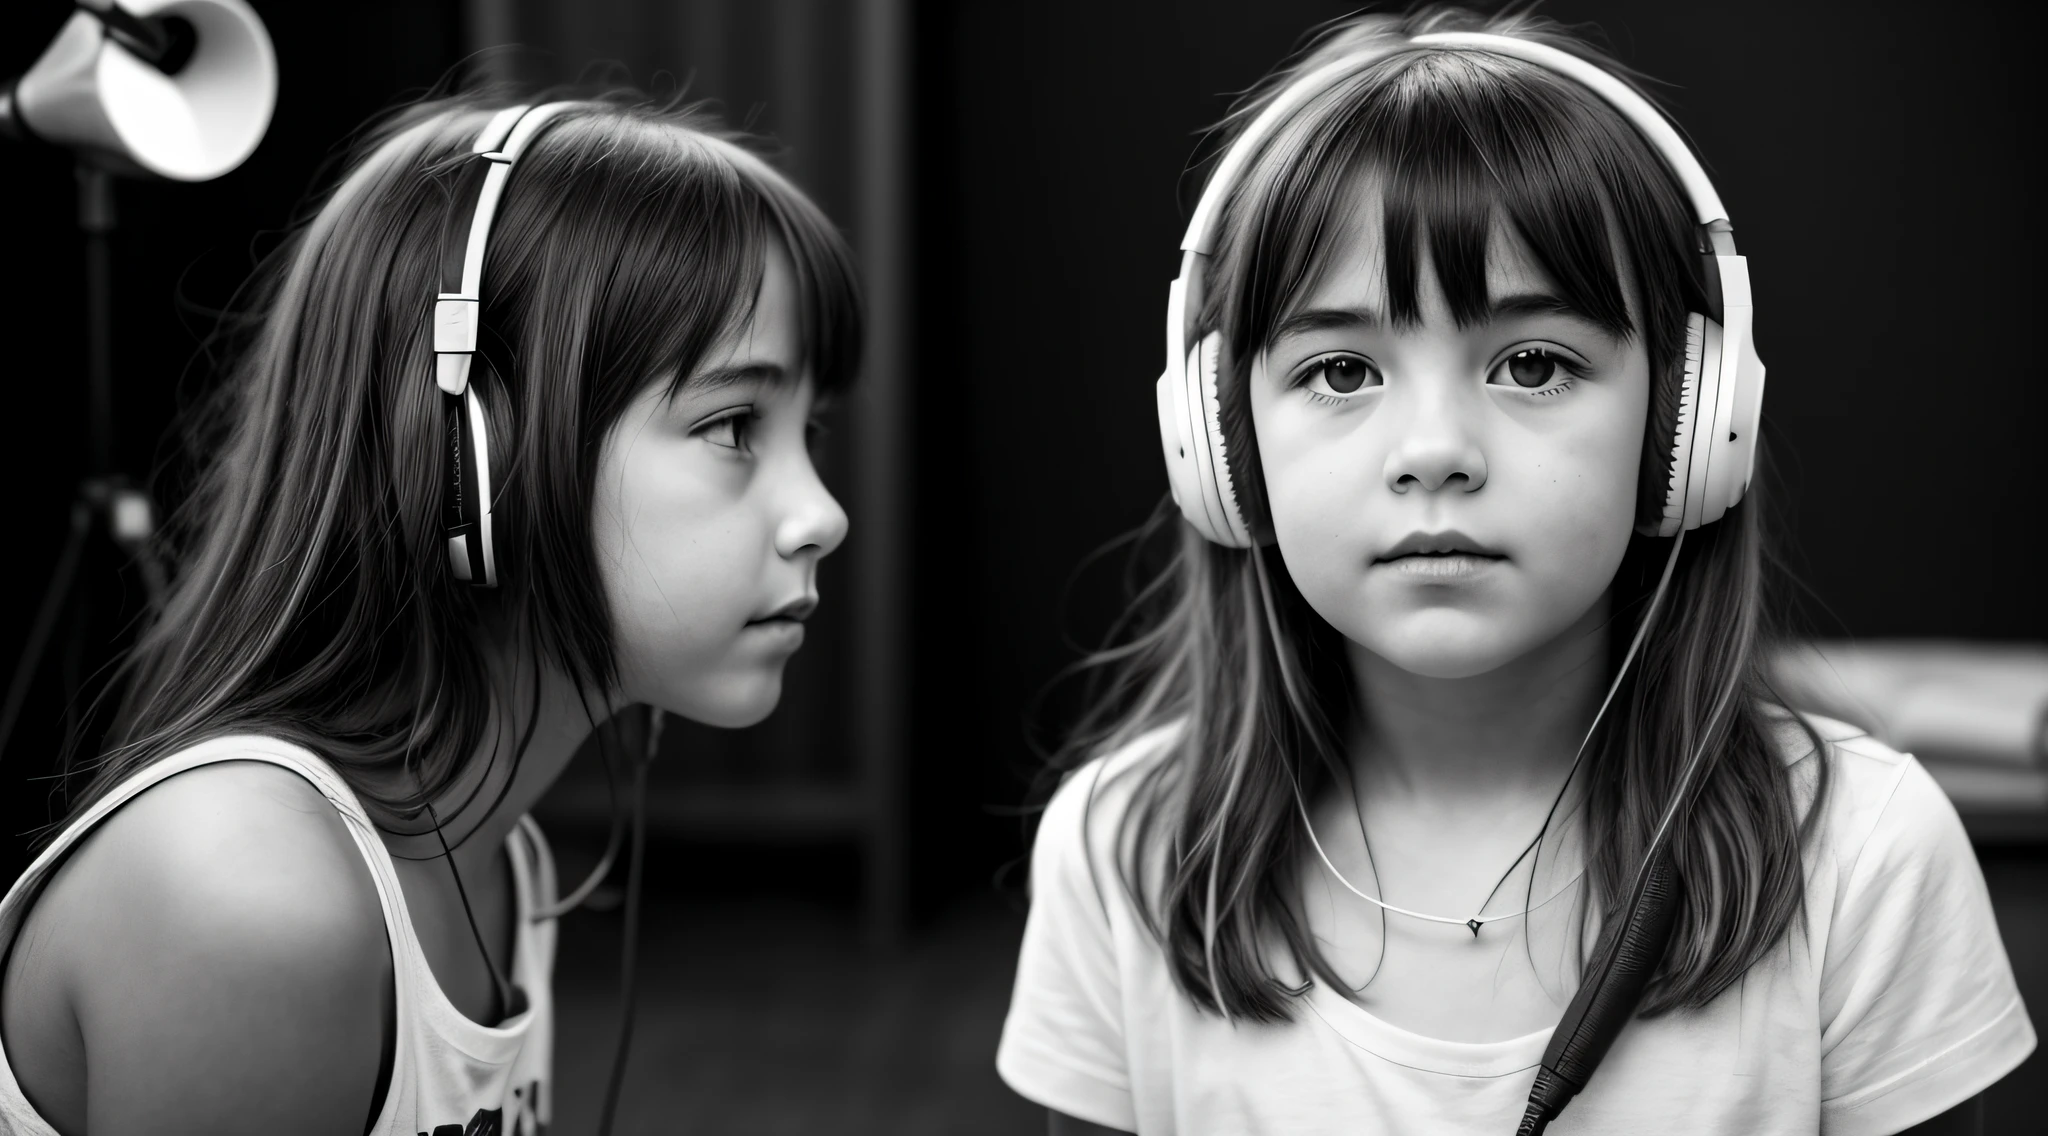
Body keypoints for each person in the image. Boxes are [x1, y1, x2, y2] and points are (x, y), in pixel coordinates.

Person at [995, 7, 2033, 1135]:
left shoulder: (1864, 854)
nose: (1433, 448)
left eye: (1532, 362)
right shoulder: (1124, 848)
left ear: (1689, 425)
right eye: (1340, 369)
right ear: (1219, 445)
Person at [0, 85, 858, 1135]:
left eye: (807, 428)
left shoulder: (499, 853)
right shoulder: (249, 900)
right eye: (734, 424)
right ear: (472, 453)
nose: (821, 513)